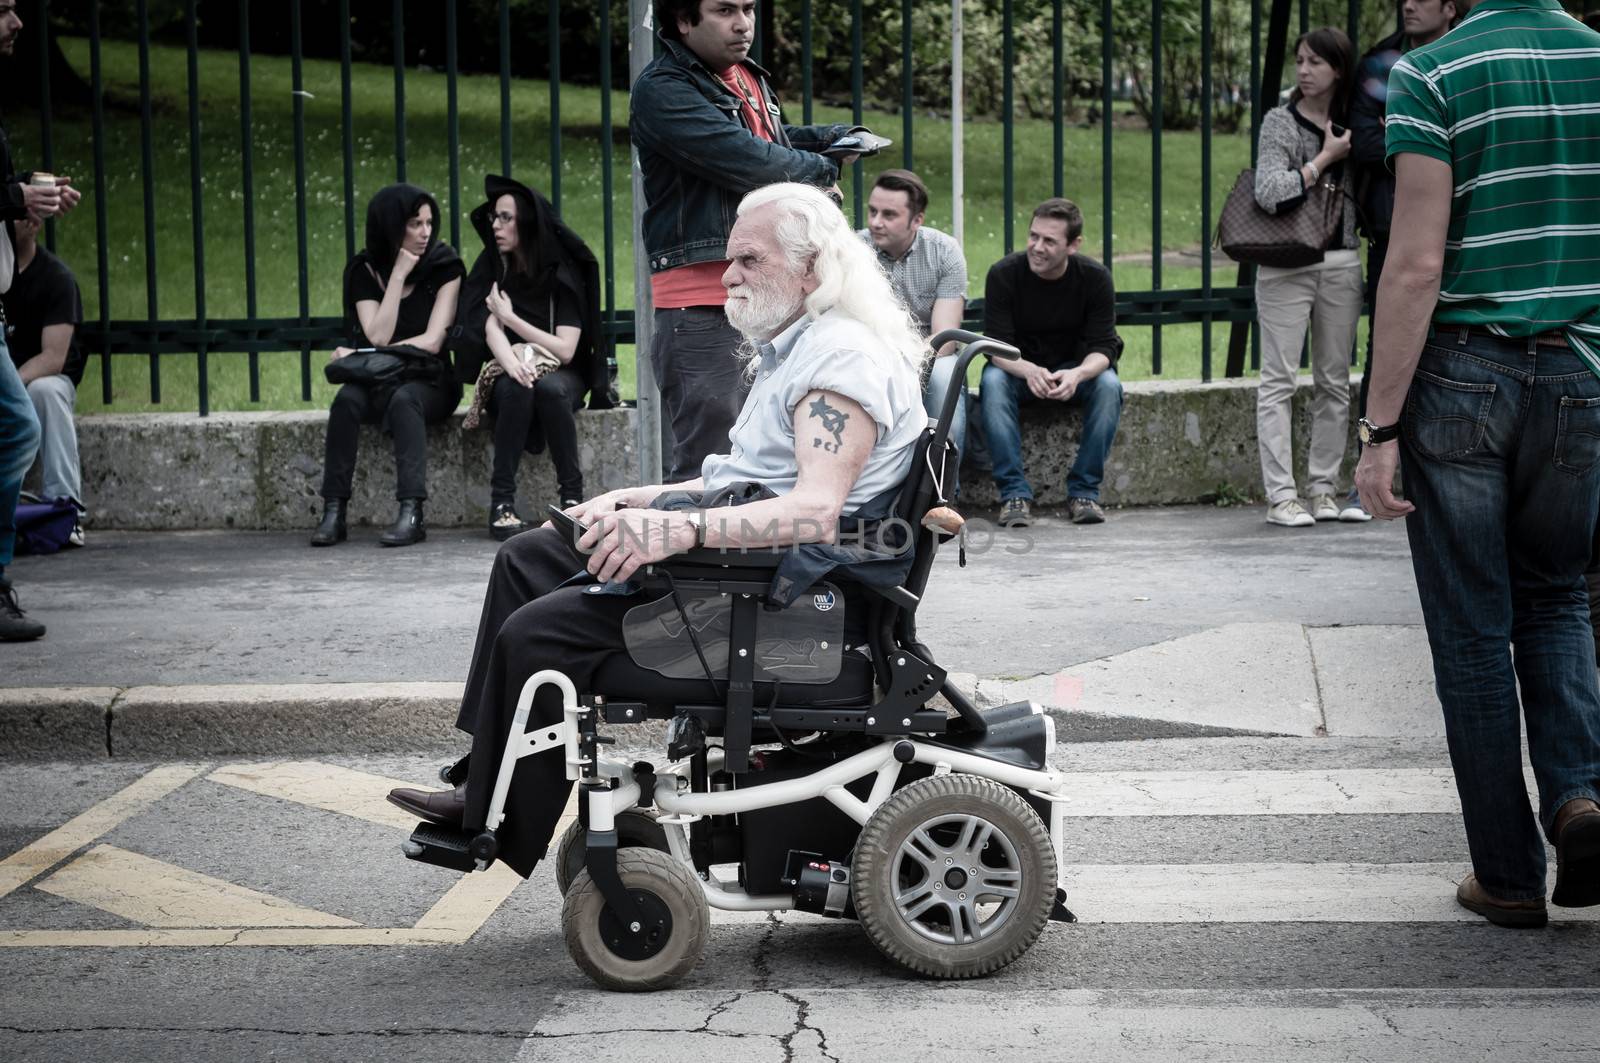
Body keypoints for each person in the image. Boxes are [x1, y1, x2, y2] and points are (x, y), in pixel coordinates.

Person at [386, 182, 929, 876]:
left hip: (783, 600)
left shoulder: (841, 362)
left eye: (749, 261)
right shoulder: (801, 348)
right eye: (729, 259)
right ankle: (485, 773)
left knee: (536, 635)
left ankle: (500, 823)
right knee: (527, 559)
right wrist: (631, 498)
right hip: (752, 574)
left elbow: (812, 512)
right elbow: (741, 476)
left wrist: (676, 532)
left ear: (813, 270)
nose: (727, 275)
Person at [1356, 0, 1600, 928]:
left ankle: (1506, 872)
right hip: (1579, 372)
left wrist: (1380, 431)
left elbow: (1416, 264)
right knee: (1558, 595)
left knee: (1471, 631)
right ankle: (1579, 796)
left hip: (1464, 371)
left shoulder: (1435, 73)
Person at [630, 0, 855, 482]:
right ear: (684, 21)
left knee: (776, 463)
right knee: (708, 470)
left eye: (749, 9)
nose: (743, 24)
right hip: (705, 304)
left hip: (775, 300)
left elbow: (770, 140)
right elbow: (750, 160)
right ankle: (686, 558)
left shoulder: (749, 76)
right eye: (725, 11)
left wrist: (830, 139)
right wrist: (823, 171)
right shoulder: (663, 89)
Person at [1343, 0, 1458, 521]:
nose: (1409, 4)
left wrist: (1413, 135)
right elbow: (1365, 142)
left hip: (1461, 231)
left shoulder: (1463, 60)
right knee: (1387, 344)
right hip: (1391, 231)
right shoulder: (1379, 64)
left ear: (1452, 6)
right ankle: (1372, 464)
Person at [453, 175, 607, 540]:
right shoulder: (495, 267)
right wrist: (513, 366)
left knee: (551, 390)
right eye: (494, 217)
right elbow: (488, 326)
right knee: (515, 390)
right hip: (513, 367)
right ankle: (501, 502)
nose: (495, 225)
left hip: (559, 370)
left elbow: (567, 349)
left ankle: (572, 498)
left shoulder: (560, 273)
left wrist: (512, 319)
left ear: (526, 222)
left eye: (505, 217)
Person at [310, 184, 464, 548]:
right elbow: (378, 333)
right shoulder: (365, 270)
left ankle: (412, 512)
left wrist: (362, 356)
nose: (426, 232)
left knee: (404, 401)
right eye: (415, 223)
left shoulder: (446, 267)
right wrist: (397, 274)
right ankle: (334, 511)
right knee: (347, 400)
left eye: (429, 222)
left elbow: (432, 342)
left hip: (431, 381)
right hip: (379, 378)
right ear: (392, 226)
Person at [1252, 27, 1363, 529]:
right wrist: (1324, 160)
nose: (1303, 70)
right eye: (1299, 60)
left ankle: (1323, 489)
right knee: (1278, 381)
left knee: (1334, 382)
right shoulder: (1280, 122)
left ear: (1338, 69)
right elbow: (1269, 191)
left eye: (1315, 62)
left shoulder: (1355, 121)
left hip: (1341, 261)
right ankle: (1281, 497)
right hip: (1284, 264)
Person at [1, 0, 78, 642]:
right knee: (14, 426)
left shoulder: (54, 278)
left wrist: (29, 190)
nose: (18, 22)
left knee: (18, 421)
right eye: (3, 10)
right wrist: (15, 196)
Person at [978, 198, 1123, 528]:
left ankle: (1084, 493)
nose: (1036, 247)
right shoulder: (1004, 274)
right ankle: (1014, 495)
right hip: (1018, 370)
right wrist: (1028, 369)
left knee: (1109, 386)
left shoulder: (1095, 278)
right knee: (992, 383)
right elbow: (994, 348)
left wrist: (1078, 373)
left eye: (1049, 240)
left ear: (1073, 245)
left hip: (1075, 372)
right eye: (1033, 236)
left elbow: (1105, 347)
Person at [858, 168, 969, 496]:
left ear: (917, 220)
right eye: (873, 211)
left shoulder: (944, 251)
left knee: (943, 380)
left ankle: (941, 496)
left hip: (930, 350)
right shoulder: (855, 251)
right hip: (872, 349)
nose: (877, 222)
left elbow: (945, 337)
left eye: (889, 214)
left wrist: (911, 362)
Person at [4, 214, 85, 546]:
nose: (30, 219)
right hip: (6, 380)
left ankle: (67, 511)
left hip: (42, 379)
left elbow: (54, 358)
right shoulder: (2, 276)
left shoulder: (56, 278)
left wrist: (10, 383)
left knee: (45, 391)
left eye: (34, 212)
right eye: (18, 211)